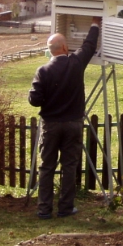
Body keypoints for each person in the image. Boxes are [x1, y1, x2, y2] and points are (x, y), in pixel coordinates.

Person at [28, 17, 101, 219]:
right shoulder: (76, 63)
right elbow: (89, 45)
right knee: (69, 166)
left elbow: (34, 100)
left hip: (51, 125)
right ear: (65, 47)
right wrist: (95, 24)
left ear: (50, 51)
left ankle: (44, 209)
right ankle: (65, 208)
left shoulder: (43, 71)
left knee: (46, 167)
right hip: (73, 124)